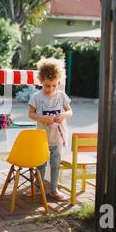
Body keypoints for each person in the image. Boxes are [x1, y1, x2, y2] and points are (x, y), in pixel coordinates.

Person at [28, 58, 73, 201]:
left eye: (54, 85)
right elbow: (30, 114)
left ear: (58, 81)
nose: (51, 89)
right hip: (42, 138)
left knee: (55, 164)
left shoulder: (61, 96)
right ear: (41, 81)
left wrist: (64, 115)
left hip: (57, 138)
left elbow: (70, 111)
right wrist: (42, 118)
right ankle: (37, 187)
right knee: (40, 164)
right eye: (47, 86)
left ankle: (54, 189)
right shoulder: (36, 97)